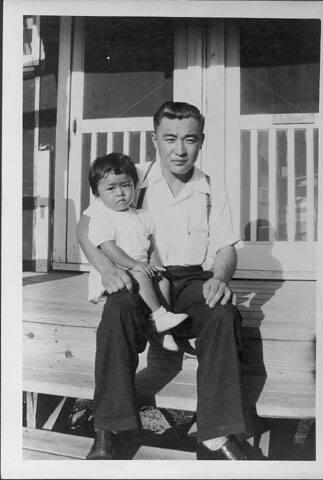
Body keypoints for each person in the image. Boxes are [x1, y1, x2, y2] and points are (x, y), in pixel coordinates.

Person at [77, 101, 248, 460]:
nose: (180, 149)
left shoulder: (213, 190)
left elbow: (226, 248)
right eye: (170, 139)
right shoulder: (130, 180)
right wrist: (105, 268)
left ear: (202, 140)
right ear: (155, 138)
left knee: (223, 313)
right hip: (140, 275)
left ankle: (218, 436)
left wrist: (219, 276)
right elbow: (86, 224)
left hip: (189, 280)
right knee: (118, 311)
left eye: (190, 139)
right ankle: (111, 428)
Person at [85, 152, 188, 351]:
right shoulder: (102, 216)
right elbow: (108, 248)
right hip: (118, 271)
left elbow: (150, 245)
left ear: (135, 185)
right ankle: (158, 316)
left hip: (140, 268)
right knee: (142, 274)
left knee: (163, 278)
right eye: (111, 188)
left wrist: (155, 262)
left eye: (126, 185)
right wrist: (134, 265)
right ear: (97, 194)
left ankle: (161, 324)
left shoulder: (141, 215)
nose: (120, 193)